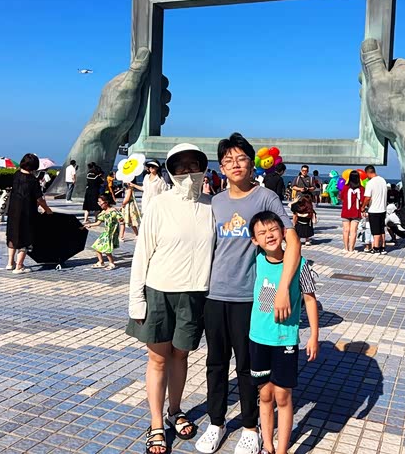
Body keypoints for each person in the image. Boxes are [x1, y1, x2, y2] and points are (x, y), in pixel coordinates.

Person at [196, 133, 301, 454]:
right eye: (228, 160)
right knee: (215, 362)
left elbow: (292, 240)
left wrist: (283, 289)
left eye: (241, 158)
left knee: (248, 366)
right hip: (215, 295)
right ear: (221, 167)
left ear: (251, 162)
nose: (235, 164)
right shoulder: (215, 202)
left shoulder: (265, 197)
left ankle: (250, 427)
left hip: (250, 298)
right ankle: (216, 422)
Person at [127, 143, 214, 454]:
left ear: (203, 168)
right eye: (180, 165)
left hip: (195, 293)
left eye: (194, 164)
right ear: (171, 170)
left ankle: (174, 410)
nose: (188, 171)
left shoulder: (211, 206)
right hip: (159, 291)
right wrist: (136, 300)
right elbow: (142, 254)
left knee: (181, 356)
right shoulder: (159, 205)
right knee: (158, 358)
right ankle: (155, 423)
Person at [248, 211, 319, 454]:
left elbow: (309, 299)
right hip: (258, 338)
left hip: (285, 340)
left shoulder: (300, 264)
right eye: (262, 233)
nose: (269, 236)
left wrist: (314, 336)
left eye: (273, 230)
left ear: (283, 232)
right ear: (255, 240)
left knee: (282, 395)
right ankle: (267, 445)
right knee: (265, 394)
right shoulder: (256, 259)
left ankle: (282, 450)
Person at [6, 153, 53, 273]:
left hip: (13, 210)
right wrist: (47, 209)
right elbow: (39, 199)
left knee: (13, 235)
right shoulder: (32, 180)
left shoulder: (16, 175)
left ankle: (10, 263)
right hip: (27, 212)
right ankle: (19, 266)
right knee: (25, 237)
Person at [84, 195, 125, 270]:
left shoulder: (113, 211)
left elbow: (121, 221)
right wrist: (89, 225)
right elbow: (98, 223)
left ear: (106, 202)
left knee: (107, 250)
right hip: (105, 233)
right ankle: (101, 262)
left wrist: (121, 234)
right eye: (98, 202)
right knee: (97, 247)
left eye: (100, 202)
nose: (99, 204)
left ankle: (112, 263)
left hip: (111, 233)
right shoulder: (103, 212)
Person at [363, 165, 389, 255]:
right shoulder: (383, 180)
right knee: (381, 229)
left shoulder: (370, 183)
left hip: (374, 209)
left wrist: (363, 207)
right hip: (383, 209)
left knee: (375, 231)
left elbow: (367, 197)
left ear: (368, 172)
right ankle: (383, 247)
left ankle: (376, 248)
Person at [340, 170, 364, 253]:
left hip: (346, 211)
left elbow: (342, 198)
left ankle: (345, 248)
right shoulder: (361, 189)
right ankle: (351, 249)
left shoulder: (345, 187)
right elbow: (362, 200)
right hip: (356, 212)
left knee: (346, 230)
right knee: (353, 231)